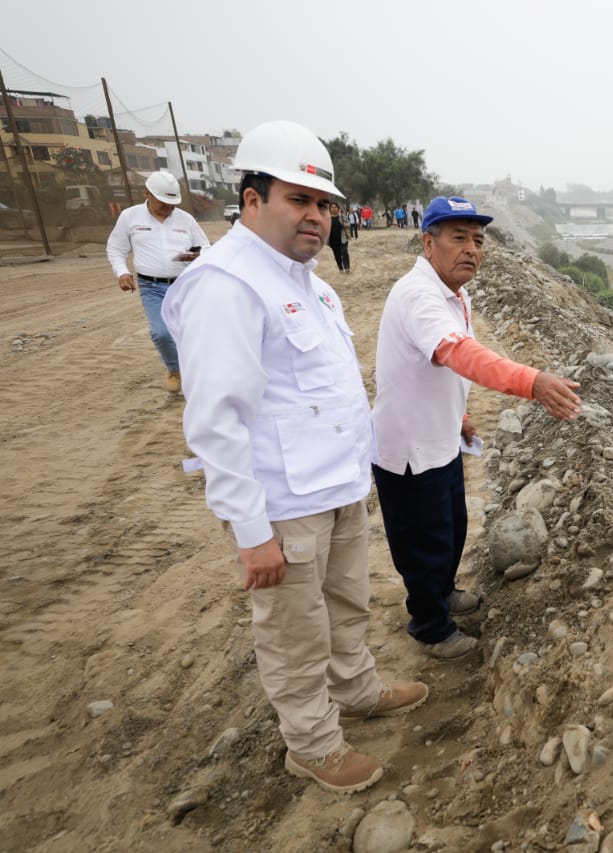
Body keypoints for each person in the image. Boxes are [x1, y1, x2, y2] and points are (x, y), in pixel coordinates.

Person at [161, 120, 426, 794]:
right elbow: (217, 424)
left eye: (324, 203)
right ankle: (311, 743)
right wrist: (252, 534)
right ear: (252, 199)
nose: (316, 216)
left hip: (334, 488)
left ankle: (357, 688)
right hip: (282, 506)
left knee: (345, 605)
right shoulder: (227, 284)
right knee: (293, 633)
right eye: (298, 199)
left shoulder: (309, 281)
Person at [372, 196, 582, 659]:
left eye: (478, 240)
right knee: (424, 540)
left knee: (451, 526)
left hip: (442, 436)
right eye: (459, 238)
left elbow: (447, 367)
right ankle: (429, 625)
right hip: (410, 447)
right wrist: (532, 381)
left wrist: (461, 416)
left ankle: (443, 594)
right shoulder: (418, 296)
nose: (472, 249)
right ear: (428, 242)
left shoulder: (456, 295)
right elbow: (461, 355)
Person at [106, 171, 210, 393]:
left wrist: (188, 255)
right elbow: (116, 248)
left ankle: (197, 373)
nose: (169, 208)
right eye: (164, 203)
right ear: (147, 194)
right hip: (151, 286)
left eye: (172, 204)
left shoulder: (185, 219)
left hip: (184, 285)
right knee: (161, 333)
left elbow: (205, 247)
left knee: (191, 332)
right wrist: (122, 273)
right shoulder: (130, 217)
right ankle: (174, 369)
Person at [328, 202, 351, 273]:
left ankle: (347, 268)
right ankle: (340, 268)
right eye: (332, 207)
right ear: (329, 209)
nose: (333, 208)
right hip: (333, 240)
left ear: (338, 208)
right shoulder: (327, 218)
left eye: (335, 207)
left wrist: (345, 224)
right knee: (337, 254)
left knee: (344, 252)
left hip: (343, 238)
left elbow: (348, 224)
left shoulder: (341, 216)